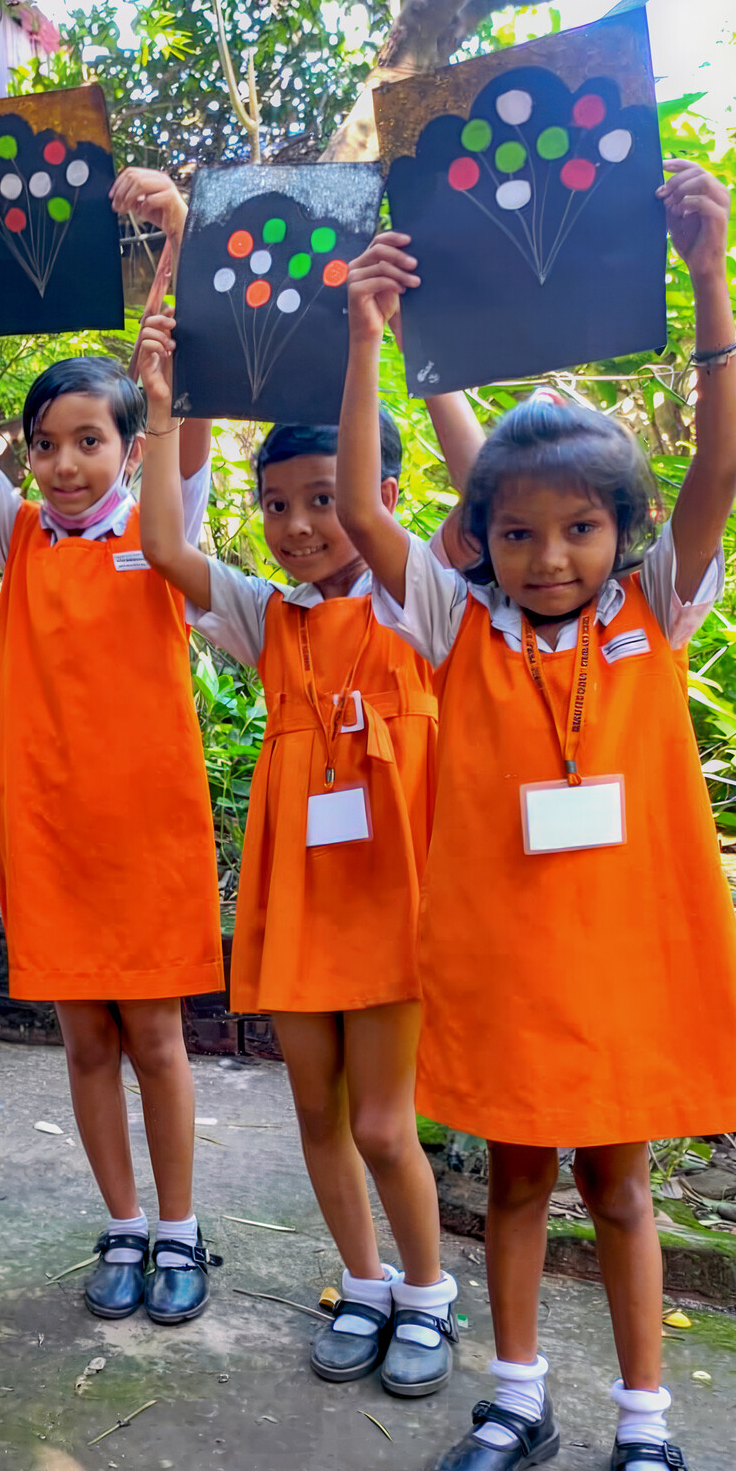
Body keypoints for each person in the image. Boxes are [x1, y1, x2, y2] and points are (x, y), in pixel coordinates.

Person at [334, 168, 736, 1471]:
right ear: (478, 541)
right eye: (517, 532)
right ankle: (517, 1398)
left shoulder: (654, 608)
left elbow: (717, 463)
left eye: (579, 527)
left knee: (624, 1191)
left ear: (621, 535)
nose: (548, 555)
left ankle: (645, 1421)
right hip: (510, 967)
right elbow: (359, 508)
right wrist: (365, 339)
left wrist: (706, 278)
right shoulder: (452, 623)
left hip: (626, 965)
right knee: (515, 1186)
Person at [134, 264, 478, 1395]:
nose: (297, 526)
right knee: (316, 1117)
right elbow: (169, 550)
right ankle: (365, 1283)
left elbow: (437, 501)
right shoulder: (266, 616)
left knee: (385, 1124)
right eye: (278, 504)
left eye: (323, 499)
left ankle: (429, 1296)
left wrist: (375, 342)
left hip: (395, 896)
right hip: (299, 901)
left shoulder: (412, 597)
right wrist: (164, 402)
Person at [0, 175, 225, 1326]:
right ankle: (123, 1221)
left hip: (146, 832)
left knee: (156, 1036)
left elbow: (177, 379)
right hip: (48, 831)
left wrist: (184, 238)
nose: (64, 462)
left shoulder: (161, 529)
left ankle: (182, 1230)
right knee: (85, 1041)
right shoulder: (21, 532)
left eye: (89, 440)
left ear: (131, 445)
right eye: (46, 444)